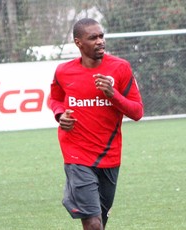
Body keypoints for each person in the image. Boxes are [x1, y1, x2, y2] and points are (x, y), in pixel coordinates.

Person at [50, 18, 144, 230]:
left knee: (100, 219)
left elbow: (137, 112)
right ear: (78, 43)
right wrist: (59, 114)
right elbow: (55, 99)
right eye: (93, 37)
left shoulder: (120, 68)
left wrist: (113, 95)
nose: (100, 41)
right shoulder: (64, 71)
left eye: (101, 36)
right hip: (77, 155)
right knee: (92, 223)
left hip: (109, 156)